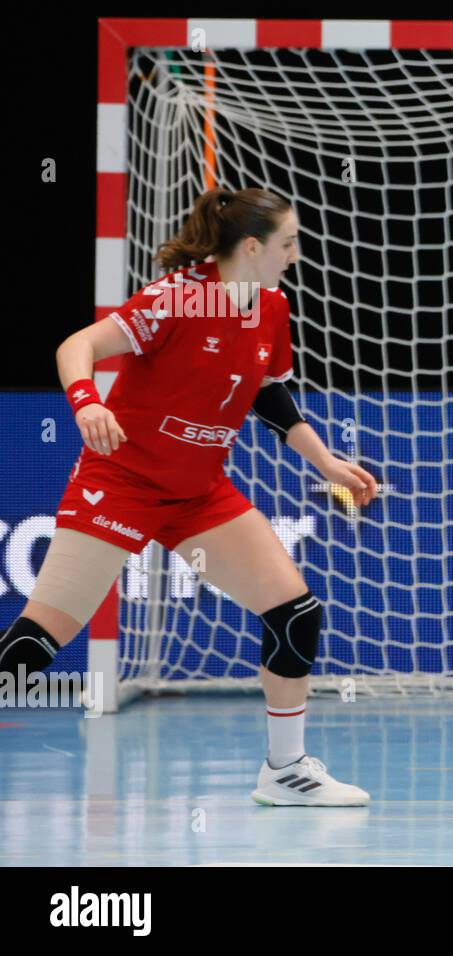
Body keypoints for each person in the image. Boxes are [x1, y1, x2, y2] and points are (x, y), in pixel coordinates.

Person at [0, 187, 379, 806]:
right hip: (120, 483)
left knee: (295, 613)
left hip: (198, 493)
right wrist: (87, 401)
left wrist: (328, 462)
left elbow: (268, 394)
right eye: (289, 243)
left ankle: (285, 772)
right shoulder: (178, 298)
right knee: (35, 644)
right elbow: (79, 345)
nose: (296, 254)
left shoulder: (273, 307)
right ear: (253, 247)